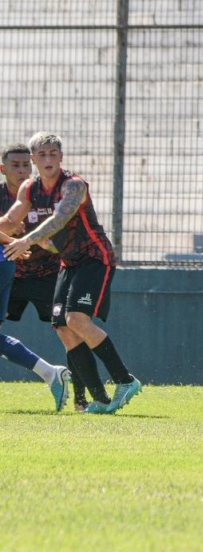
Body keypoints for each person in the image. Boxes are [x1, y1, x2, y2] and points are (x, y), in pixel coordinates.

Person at [1, 132, 141, 415]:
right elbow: (9, 220)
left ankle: (125, 380)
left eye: (54, 154)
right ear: (34, 159)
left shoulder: (73, 184)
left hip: (94, 257)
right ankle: (99, 398)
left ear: (61, 157)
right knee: (64, 328)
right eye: (42, 155)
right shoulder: (30, 188)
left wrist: (27, 240)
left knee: (76, 319)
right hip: (67, 262)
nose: (49, 159)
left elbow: (60, 218)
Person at [0, 143, 71, 411]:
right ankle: (51, 373)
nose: (21, 170)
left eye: (24, 165)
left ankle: (84, 391)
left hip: (44, 273)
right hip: (11, 268)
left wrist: (21, 242)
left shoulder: (40, 191)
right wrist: (15, 241)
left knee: (69, 327)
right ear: (3, 169)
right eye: (14, 165)